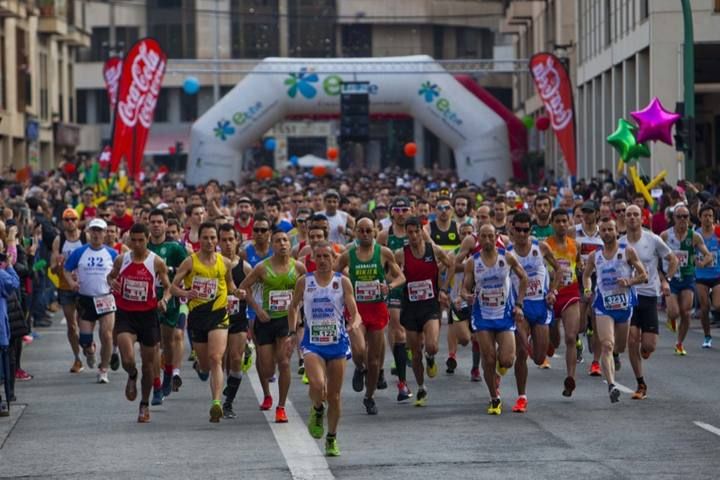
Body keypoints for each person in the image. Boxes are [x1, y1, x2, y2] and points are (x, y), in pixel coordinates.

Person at [289, 241, 361, 456]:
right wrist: (293, 332)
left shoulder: (343, 282)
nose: (321, 260)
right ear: (312, 259)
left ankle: (331, 438)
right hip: (313, 343)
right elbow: (293, 307)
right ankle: (318, 409)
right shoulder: (305, 281)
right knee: (318, 385)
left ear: (334, 259)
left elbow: (354, 312)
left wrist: (354, 323)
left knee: (335, 396)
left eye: (326, 256)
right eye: (317, 256)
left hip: (337, 343)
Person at [171, 222, 243, 422]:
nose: (210, 242)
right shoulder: (190, 262)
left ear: (217, 240)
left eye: (213, 238)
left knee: (216, 358)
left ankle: (216, 403)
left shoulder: (224, 262)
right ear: (199, 239)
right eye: (206, 238)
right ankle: (199, 367)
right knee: (204, 365)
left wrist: (237, 292)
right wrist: (186, 292)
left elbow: (229, 284)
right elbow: (173, 287)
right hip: (197, 317)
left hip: (219, 314)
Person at [335, 215, 405, 414]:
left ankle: (369, 396)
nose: (365, 234)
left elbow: (401, 276)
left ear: (375, 231)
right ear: (356, 232)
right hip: (357, 310)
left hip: (377, 309)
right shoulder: (349, 254)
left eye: (368, 230)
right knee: (358, 351)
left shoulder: (383, 252)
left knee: (374, 360)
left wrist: (389, 286)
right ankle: (359, 368)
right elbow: (333, 274)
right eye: (361, 230)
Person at [239, 229, 307, 422]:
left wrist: (299, 312)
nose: (283, 244)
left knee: (284, 363)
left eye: (285, 240)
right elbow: (244, 287)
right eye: (278, 241)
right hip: (266, 321)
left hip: (286, 321)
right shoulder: (262, 267)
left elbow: (309, 290)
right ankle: (267, 394)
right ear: (272, 245)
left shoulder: (299, 267)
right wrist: (258, 309)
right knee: (268, 369)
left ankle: (281, 407)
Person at [107, 223, 172, 423]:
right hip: (126, 314)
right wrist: (112, 282)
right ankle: (131, 374)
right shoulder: (122, 259)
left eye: (141, 240)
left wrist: (164, 300)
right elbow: (110, 277)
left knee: (149, 366)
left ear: (147, 239)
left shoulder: (156, 262)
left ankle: (144, 404)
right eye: (133, 240)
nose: (137, 244)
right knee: (127, 358)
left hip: (148, 316)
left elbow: (169, 287)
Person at [462, 224, 527, 415]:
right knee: (488, 358)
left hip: (504, 314)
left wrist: (519, 304)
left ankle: (498, 373)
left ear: (496, 237)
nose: (488, 240)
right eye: (484, 236)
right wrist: (466, 296)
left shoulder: (506, 257)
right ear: (479, 239)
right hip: (482, 316)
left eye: (491, 236)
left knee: (507, 360)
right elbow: (465, 288)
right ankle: (494, 398)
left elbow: (523, 278)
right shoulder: (472, 262)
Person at [582, 217, 647, 403]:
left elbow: (643, 275)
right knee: (607, 345)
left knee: (619, 346)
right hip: (604, 305)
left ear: (616, 231)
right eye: (603, 230)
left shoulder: (627, 251)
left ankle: (616, 356)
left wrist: (629, 281)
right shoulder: (595, 256)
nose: (607, 233)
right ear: (599, 233)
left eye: (610, 229)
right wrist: (587, 289)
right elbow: (587, 275)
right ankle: (611, 385)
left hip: (624, 305)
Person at [621, 205, 677, 400]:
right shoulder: (621, 244)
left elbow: (673, 259)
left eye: (636, 215)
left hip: (650, 295)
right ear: (624, 219)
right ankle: (640, 383)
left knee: (649, 345)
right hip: (630, 296)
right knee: (632, 340)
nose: (632, 218)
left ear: (642, 218)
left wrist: (666, 280)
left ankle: (646, 349)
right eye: (628, 215)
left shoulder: (652, 239)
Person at [395, 217, 453, 406]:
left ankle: (431, 357)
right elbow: (390, 273)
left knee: (431, 346)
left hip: (430, 306)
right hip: (410, 308)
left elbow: (451, 263)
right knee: (415, 352)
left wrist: (443, 288)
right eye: (409, 232)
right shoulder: (400, 254)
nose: (413, 236)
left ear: (422, 231)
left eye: (416, 231)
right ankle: (421, 387)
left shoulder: (433, 250)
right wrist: (394, 279)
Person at [507, 212, 560, 413]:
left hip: (540, 306)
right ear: (512, 229)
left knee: (538, 358)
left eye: (525, 230)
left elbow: (558, 270)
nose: (521, 233)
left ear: (531, 230)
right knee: (521, 353)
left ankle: (535, 342)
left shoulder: (541, 247)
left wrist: (553, 291)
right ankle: (522, 397)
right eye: (518, 229)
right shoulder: (508, 252)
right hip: (519, 307)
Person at [63, 218, 118, 384]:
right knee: (85, 340)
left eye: (99, 231)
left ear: (105, 233)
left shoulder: (112, 253)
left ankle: (104, 370)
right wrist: (72, 283)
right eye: (93, 230)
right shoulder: (80, 252)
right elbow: (66, 270)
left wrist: (116, 282)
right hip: (85, 299)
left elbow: (121, 272)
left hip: (106, 298)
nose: (96, 234)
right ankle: (90, 350)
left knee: (107, 335)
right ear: (88, 232)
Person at [147, 209, 188, 399]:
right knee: (153, 345)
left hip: (169, 300)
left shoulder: (175, 248)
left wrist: (170, 270)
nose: (156, 225)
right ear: (148, 224)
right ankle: (156, 387)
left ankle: (168, 374)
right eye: (152, 221)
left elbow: (187, 269)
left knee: (168, 343)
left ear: (165, 224)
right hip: (147, 301)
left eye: (159, 222)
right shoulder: (143, 247)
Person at [661, 204, 712, 355]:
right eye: (679, 217)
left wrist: (702, 263)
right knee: (674, 312)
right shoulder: (665, 235)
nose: (683, 219)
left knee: (686, 312)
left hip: (688, 277)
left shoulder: (694, 236)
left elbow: (708, 254)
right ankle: (671, 319)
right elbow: (656, 253)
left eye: (686, 217)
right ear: (674, 218)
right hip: (671, 278)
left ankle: (679, 343)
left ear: (689, 219)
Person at [546, 209, 583, 397]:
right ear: (552, 223)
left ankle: (571, 378)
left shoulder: (575, 245)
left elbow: (579, 266)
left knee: (570, 337)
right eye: (558, 221)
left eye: (564, 221)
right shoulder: (545, 245)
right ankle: (549, 343)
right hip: (551, 295)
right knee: (555, 339)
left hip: (570, 292)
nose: (561, 224)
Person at [217, 224, 252, 418]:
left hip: (238, 318)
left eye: (231, 239)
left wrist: (256, 313)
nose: (228, 244)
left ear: (237, 241)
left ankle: (228, 402)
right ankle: (217, 397)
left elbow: (254, 293)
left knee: (236, 359)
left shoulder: (244, 267)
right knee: (220, 360)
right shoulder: (214, 264)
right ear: (218, 242)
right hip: (216, 319)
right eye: (224, 240)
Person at [52, 208, 86, 373]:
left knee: (84, 322)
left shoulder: (85, 237)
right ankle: (77, 358)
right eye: (67, 220)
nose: (70, 222)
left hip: (83, 286)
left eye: (73, 219)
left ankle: (87, 344)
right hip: (66, 287)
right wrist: (58, 264)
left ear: (78, 220)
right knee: (72, 326)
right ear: (63, 222)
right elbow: (52, 269)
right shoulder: (59, 240)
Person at [575, 200, 604, 376]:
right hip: (579, 279)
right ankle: (581, 337)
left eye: (590, 211)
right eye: (584, 212)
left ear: (597, 214)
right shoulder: (575, 232)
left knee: (597, 320)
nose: (586, 215)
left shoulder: (604, 233)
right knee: (578, 325)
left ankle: (596, 362)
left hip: (599, 280)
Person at [446, 223, 476, 375]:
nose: (467, 236)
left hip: (476, 299)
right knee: (464, 338)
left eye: (470, 233)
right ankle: (452, 354)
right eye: (463, 233)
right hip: (458, 299)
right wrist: (443, 290)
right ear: (459, 235)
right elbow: (446, 267)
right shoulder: (454, 253)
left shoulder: (480, 252)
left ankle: (476, 367)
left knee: (477, 336)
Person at [694, 204, 720, 349]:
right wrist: (694, 261)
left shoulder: (719, 232)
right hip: (701, 275)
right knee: (704, 307)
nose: (708, 219)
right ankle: (707, 336)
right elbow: (688, 253)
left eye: (710, 216)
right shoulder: (696, 235)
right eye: (705, 216)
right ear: (700, 218)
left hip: (717, 274)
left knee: (717, 305)